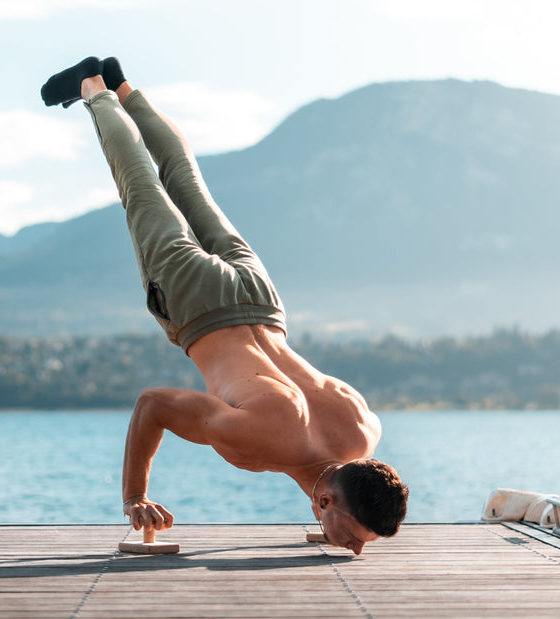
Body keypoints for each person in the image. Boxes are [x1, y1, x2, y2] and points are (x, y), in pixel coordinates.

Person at [41, 57, 408, 555]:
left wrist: (337, 522)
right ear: (324, 501)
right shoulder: (265, 440)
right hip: (196, 302)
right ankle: (92, 86)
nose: (354, 549)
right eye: (352, 536)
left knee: (186, 181)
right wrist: (134, 497)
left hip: (260, 299)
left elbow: (326, 474)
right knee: (140, 185)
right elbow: (154, 405)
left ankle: (123, 85)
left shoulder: (364, 428)